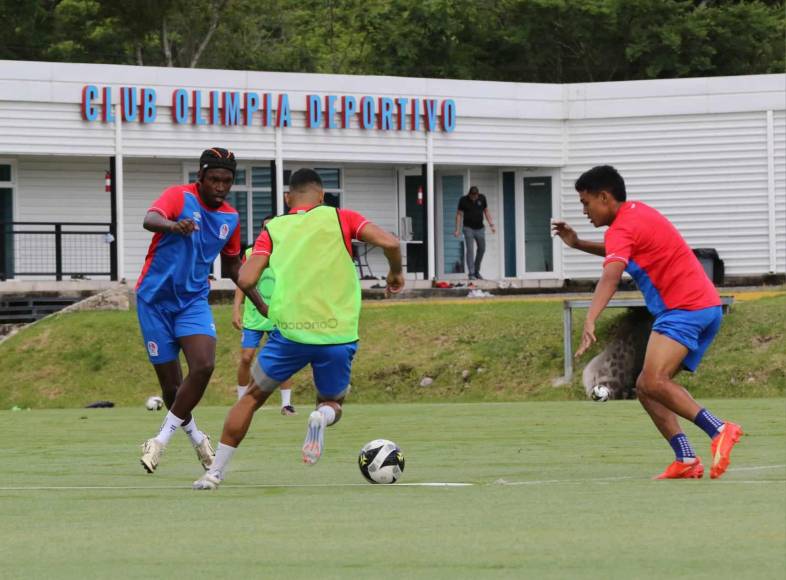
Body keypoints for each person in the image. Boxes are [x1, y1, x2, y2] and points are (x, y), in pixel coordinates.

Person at [193, 168, 404, 490]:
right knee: (333, 403)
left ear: (288, 198)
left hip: (289, 334)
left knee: (250, 398)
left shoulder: (273, 229)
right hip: (337, 333)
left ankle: (214, 472)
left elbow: (246, 278)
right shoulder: (341, 218)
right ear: (321, 196)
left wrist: (260, 304)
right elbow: (390, 241)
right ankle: (322, 416)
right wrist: (395, 273)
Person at [552, 165, 743, 480]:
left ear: (604, 196)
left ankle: (720, 429)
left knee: (653, 381)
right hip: (704, 307)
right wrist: (578, 244)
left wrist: (590, 319)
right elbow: (622, 250)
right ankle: (685, 458)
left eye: (586, 203)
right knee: (646, 387)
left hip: (684, 309)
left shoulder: (621, 229)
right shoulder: (636, 214)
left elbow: (611, 276)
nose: (584, 211)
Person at [136, 147, 249, 474]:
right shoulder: (178, 196)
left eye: (227, 181)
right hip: (154, 301)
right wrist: (173, 227)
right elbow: (150, 219)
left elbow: (233, 268)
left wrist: (261, 303)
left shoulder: (230, 218)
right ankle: (198, 439)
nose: (220, 186)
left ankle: (159, 441)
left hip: (192, 301)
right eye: (214, 179)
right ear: (200, 177)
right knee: (172, 388)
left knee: (204, 365)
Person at [233, 221, 296, 416]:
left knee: (284, 359)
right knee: (246, 357)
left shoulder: (288, 253)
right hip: (254, 317)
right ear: (262, 231)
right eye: (266, 228)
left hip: (278, 315)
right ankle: (241, 400)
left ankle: (286, 404)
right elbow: (241, 281)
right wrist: (236, 309)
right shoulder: (251, 253)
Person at [454, 185, 495, 279]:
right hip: (468, 228)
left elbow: (486, 211)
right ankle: (471, 273)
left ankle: (476, 270)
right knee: (470, 250)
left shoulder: (482, 198)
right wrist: (457, 229)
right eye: (473, 196)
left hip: (480, 228)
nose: (475, 198)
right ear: (470, 194)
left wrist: (491, 224)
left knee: (482, 248)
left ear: (478, 194)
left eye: (476, 196)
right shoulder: (463, 200)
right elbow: (459, 215)